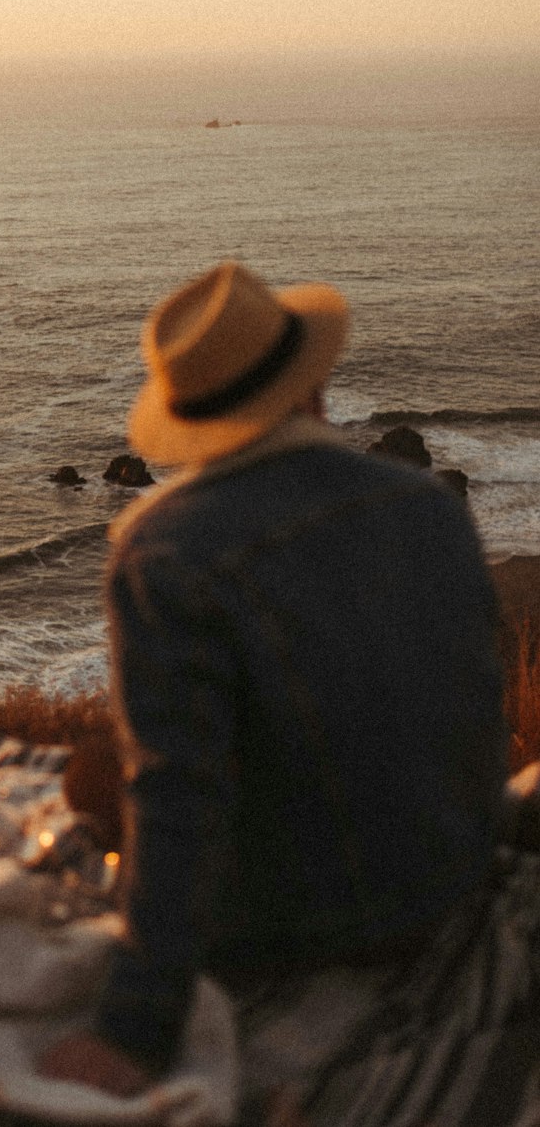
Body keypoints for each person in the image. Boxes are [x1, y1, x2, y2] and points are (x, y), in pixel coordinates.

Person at [40, 260, 506, 1095]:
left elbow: (182, 796)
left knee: (95, 775)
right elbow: (477, 701)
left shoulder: (167, 552)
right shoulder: (427, 502)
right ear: (314, 389)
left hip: (300, 931)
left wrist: (134, 1032)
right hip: (454, 880)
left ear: (193, 422)